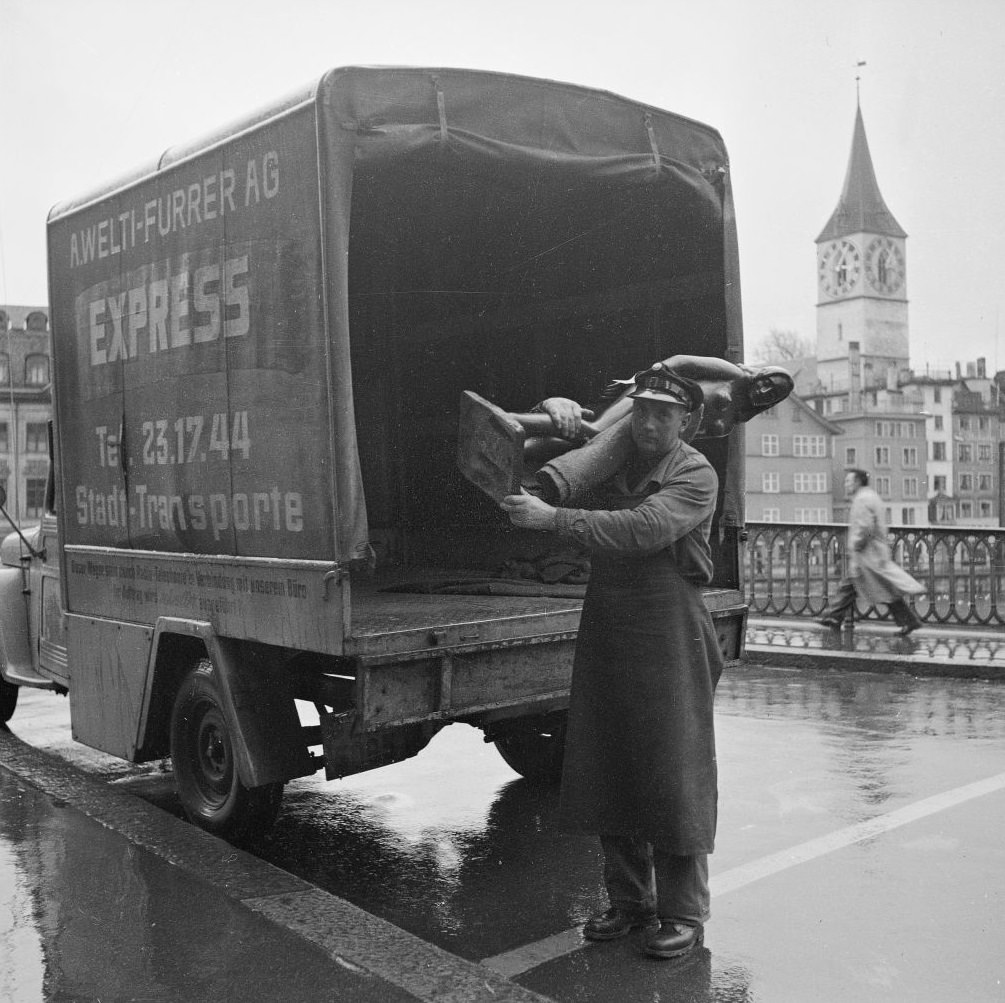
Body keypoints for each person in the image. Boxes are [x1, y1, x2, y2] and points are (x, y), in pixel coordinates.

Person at [500, 365, 723, 960]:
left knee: (674, 767)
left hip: (672, 627)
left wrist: (557, 521)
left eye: (664, 414)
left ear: (686, 422)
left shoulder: (694, 473)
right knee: (609, 759)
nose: (649, 422)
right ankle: (630, 903)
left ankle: (683, 914)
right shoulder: (610, 453)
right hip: (611, 623)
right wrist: (554, 405)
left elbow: (646, 528)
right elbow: (530, 460)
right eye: (642, 411)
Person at [818, 468, 924, 635]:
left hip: (867, 553)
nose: (846, 484)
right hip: (875, 552)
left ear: (858, 482)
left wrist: (856, 544)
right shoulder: (872, 496)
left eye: (848, 481)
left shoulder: (862, 499)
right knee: (870, 587)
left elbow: (866, 527)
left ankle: (833, 615)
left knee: (861, 585)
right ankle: (833, 616)